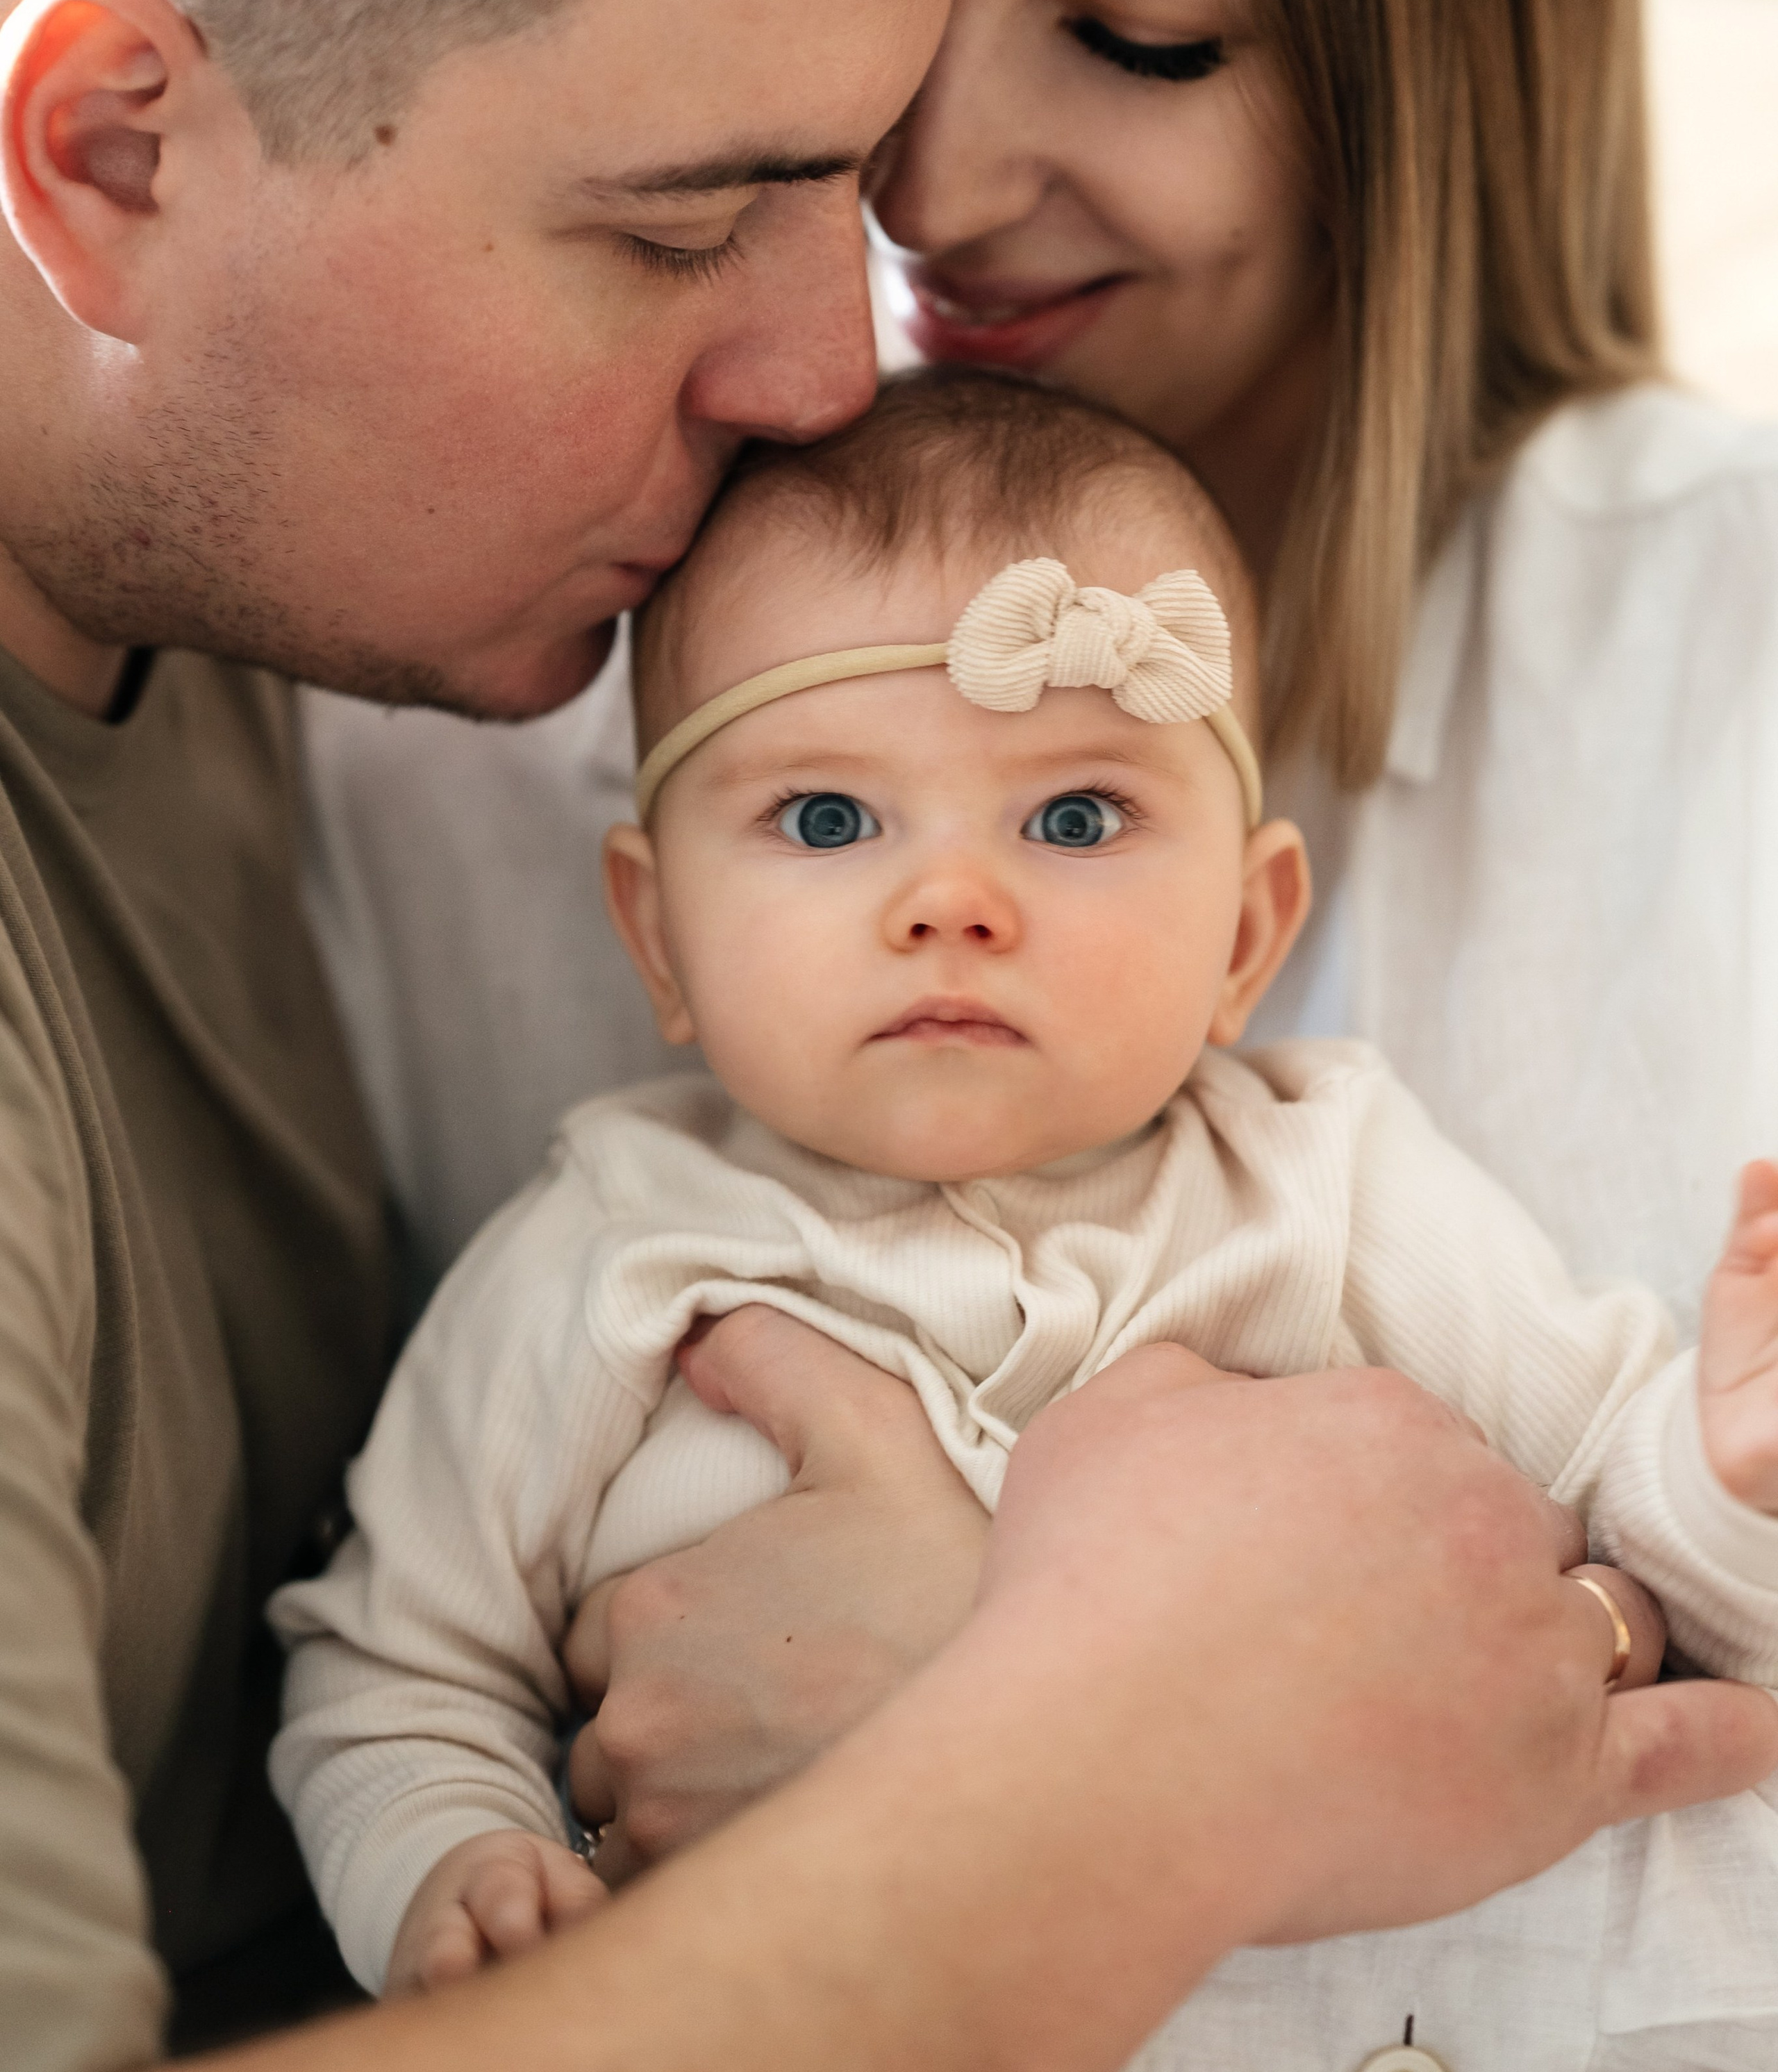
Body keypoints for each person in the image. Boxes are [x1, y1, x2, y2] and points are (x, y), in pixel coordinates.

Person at [5, 0, 1737, 2067]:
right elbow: (395, 1676)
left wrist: (1538, 1617)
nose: (889, 261)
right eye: (728, 182)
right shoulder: (457, 657)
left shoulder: (1693, 678)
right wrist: (1079, 1770)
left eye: (1139, 34)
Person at [272, 369, 1778, 2032]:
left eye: (1073, 815)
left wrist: (1719, 1475)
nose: (949, 901)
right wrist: (449, 1860)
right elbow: (396, 1670)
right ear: (658, 936)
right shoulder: (610, 1249)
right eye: (827, 816)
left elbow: (1616, 1535)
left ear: (1243, 936)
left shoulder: (1327, 1176)